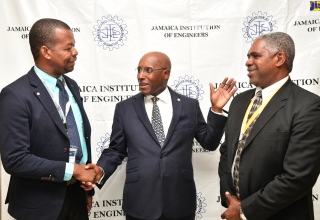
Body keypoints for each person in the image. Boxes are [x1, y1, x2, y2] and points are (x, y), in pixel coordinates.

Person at [85, 51, 237, 220]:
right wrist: (100, 169)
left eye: (148, 70)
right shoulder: (125, 108)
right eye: (139, 70)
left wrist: (216, 110)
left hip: (180, 202)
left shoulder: (189, 106)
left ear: (166, 73)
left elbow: (209, 143)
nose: (140, 76)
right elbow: (115, 150)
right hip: (140, 203)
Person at [0, 18, 97, 220]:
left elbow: (77, 140)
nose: (75, 52)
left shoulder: (72, 87)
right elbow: (14, 159)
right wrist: (73, 170)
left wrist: (86, 188)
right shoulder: (16, 94)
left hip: (77, 197)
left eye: (74, 46)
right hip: (40, 207)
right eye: (69, 47)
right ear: (46, 52)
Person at [219, 32, 320, 220]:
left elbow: (298, 177)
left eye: (255, 56)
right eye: (248, 56)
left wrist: (244, 211)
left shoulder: (308, 105)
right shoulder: (239, 101)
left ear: (279, 59)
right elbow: (227, 153)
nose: (248, 62)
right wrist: (230, 199)